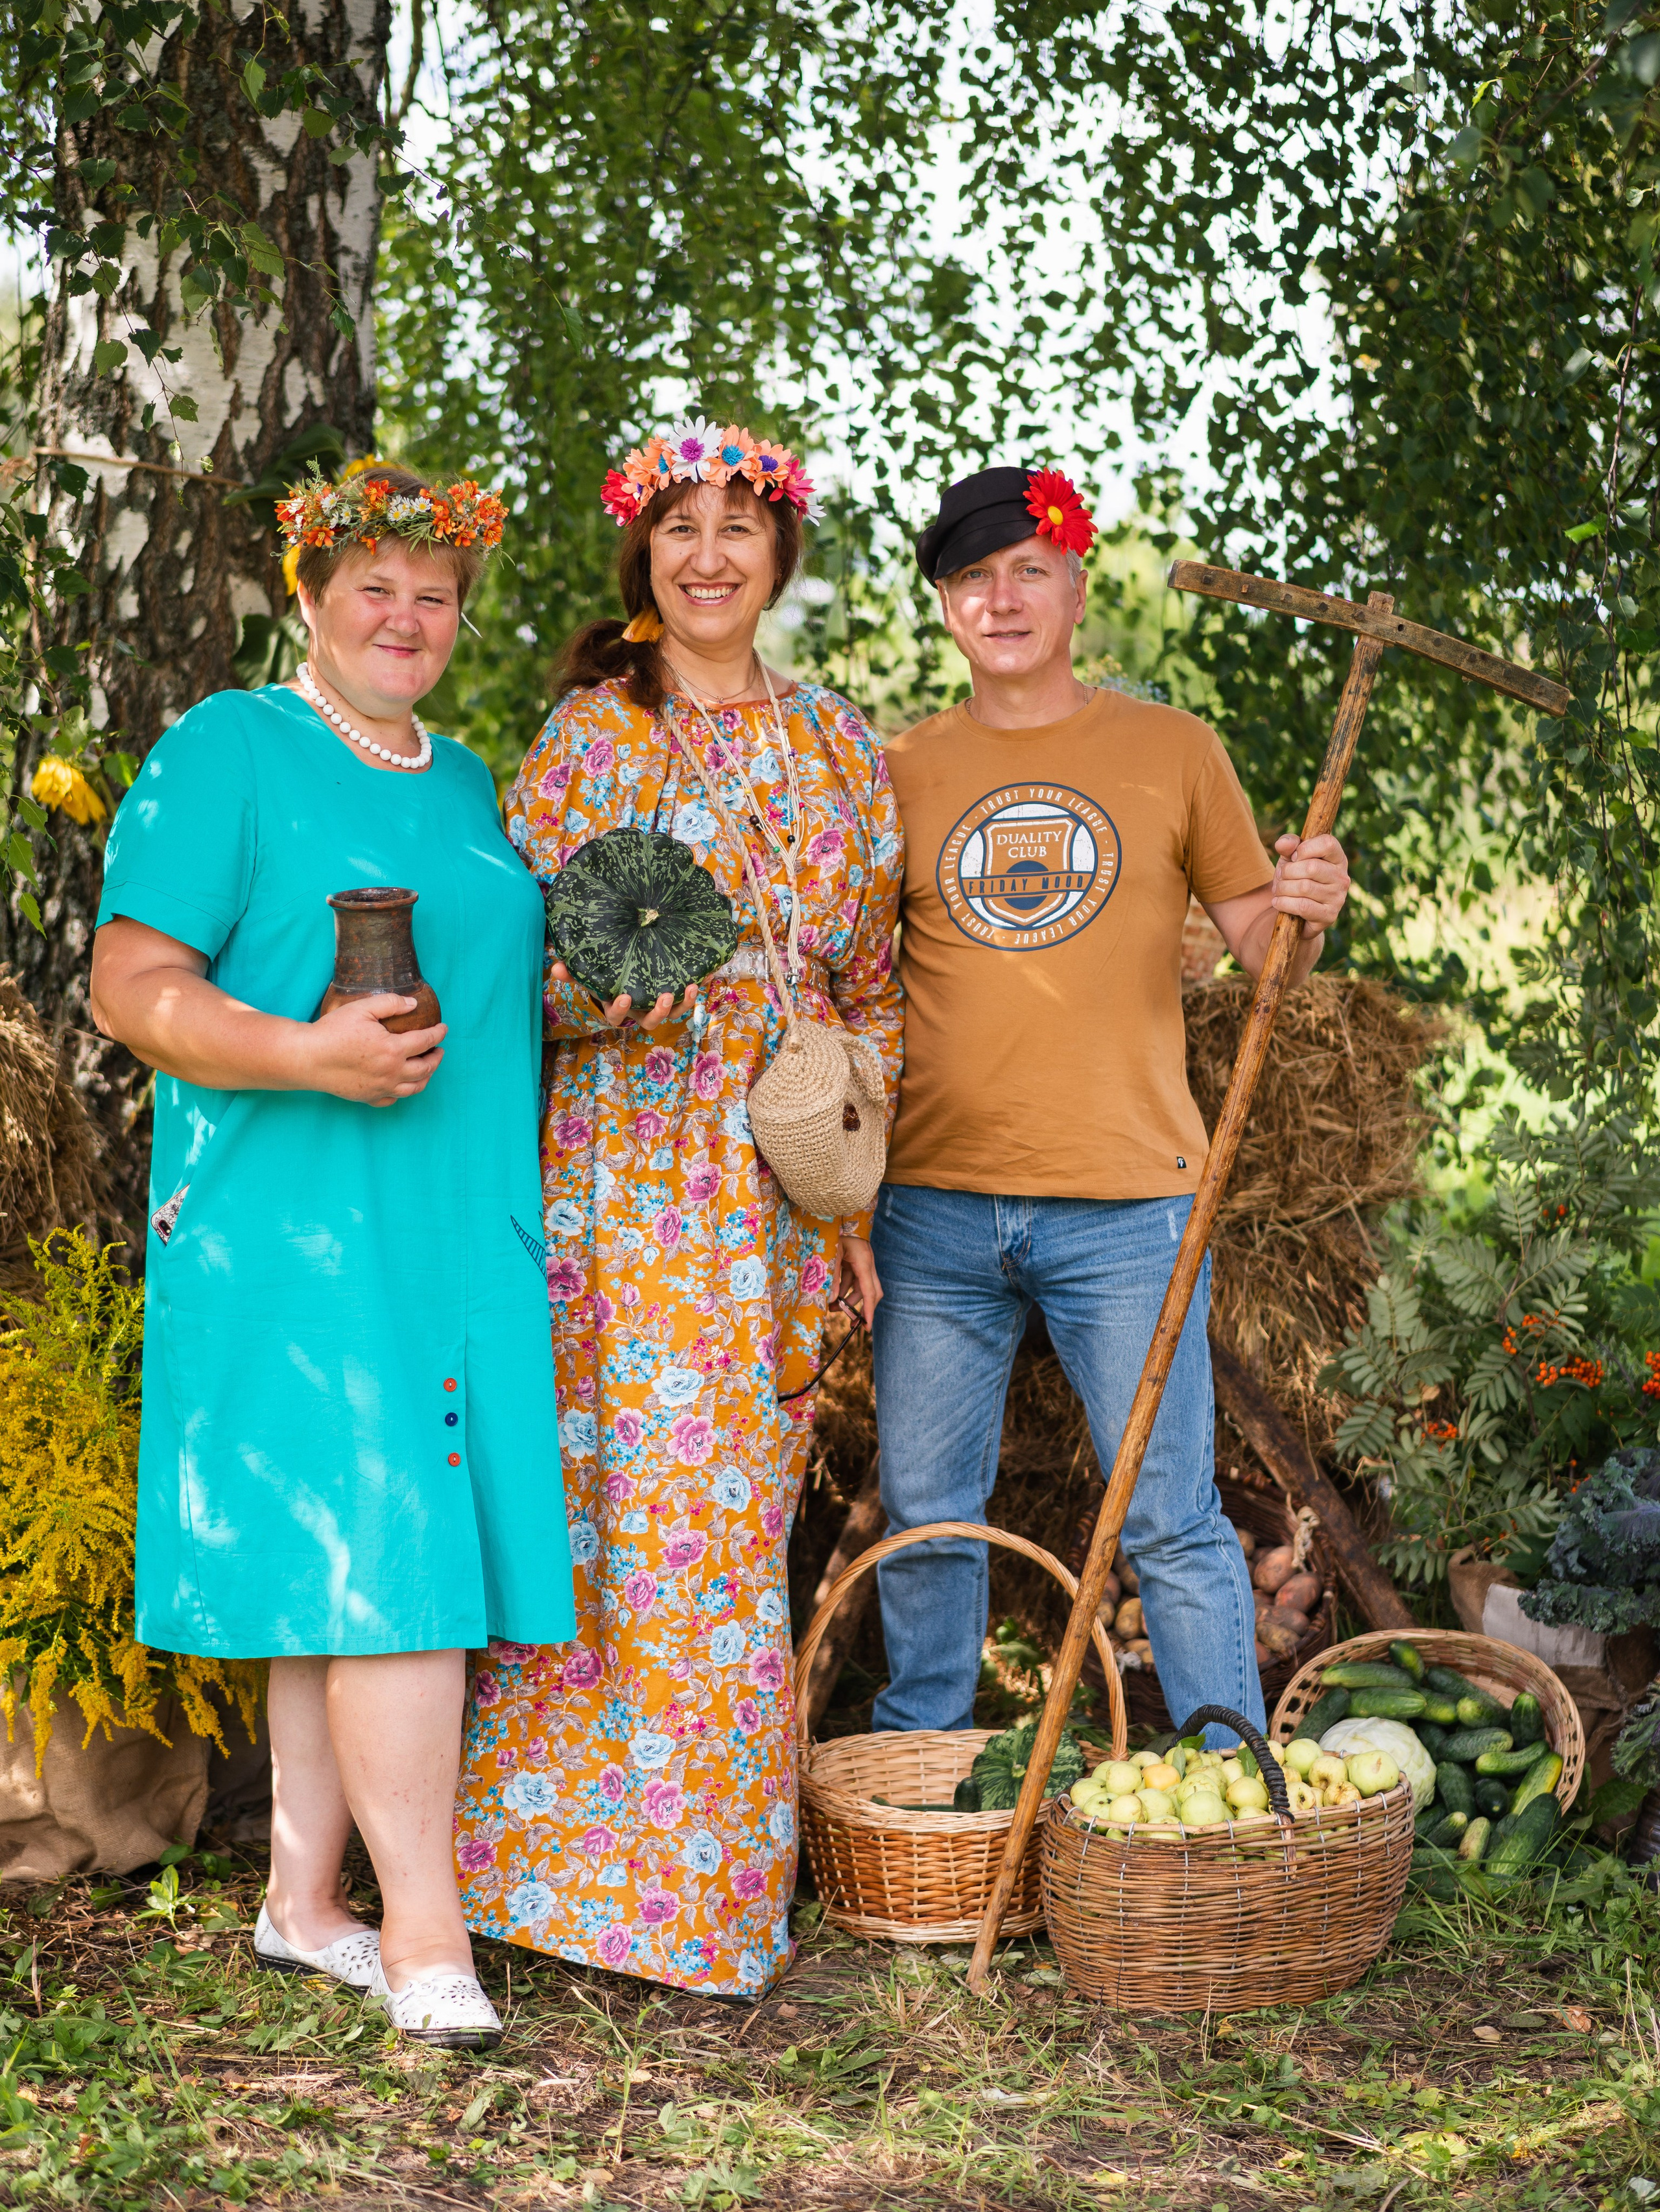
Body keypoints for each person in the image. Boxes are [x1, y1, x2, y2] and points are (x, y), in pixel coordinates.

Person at [89, 463, 572, 2051]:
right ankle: (426, 1933)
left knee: (341, 1577)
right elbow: (130, 982)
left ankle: (302, 1903)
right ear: (308, 593)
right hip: (294, 1229)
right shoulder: (228, 745)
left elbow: (486, 990)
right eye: (373, 585)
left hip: (455, 1217)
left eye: (434, 594)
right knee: (396, 1573)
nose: (405, 617)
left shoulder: (467, 780)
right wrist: (306, 1051)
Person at [452, 416, 903, 1999]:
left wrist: (853, 1205)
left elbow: (870, 986)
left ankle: (702, 1896)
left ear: (779, 552)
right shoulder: (591, 738)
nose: (708, 555)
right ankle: (545, 1875)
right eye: (678, 528)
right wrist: (599, 999)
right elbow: (510, 970)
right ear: (641, 555)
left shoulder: (838, 742)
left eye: (737, 526)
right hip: (620, 1183)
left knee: (725, 1539)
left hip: (774, 1202)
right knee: (608, 1521)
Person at [871, 464, 1352, 1742]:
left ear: (1077, 587)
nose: (1002, 598)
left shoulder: (1171, 751)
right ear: (944, 605)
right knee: (927, 1513)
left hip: (1131, 1207)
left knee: (1170, 1517)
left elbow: (1266, 956)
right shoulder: (896, 769)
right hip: (931, 1205)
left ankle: (1220, 1780)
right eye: (973, 578)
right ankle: (922, 1781)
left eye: (1029, 570)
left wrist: (1307, 908)